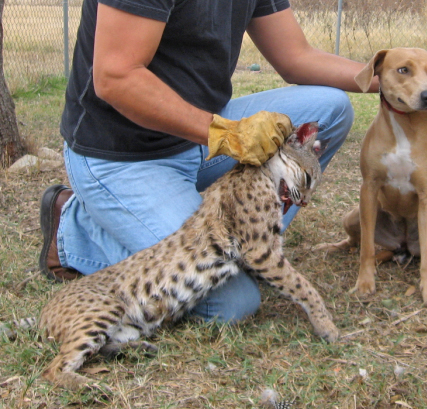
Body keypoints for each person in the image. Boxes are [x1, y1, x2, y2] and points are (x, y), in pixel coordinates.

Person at [39, 0, 381, 323]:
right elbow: (116, 77)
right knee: (230, 302)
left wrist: (401, 76)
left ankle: (253, 245)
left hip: (200, 133)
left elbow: (295, 55)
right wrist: (226, 134)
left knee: (331, 108)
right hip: (122, 155)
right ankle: (73, 233)